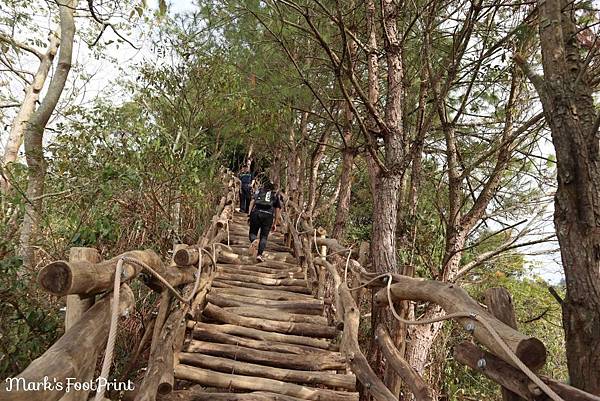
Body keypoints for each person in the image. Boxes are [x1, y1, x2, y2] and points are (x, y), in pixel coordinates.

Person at [248, 180, 281, 262]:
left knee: (252, 233)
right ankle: (259, 255)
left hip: (256, 213)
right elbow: (277, 209)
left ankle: (254, 240)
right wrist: (275, 222)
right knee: (264, 236)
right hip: (268, 215)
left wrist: (249, 214)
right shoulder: (275, 195)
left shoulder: (259, 191)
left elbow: (252, 202)